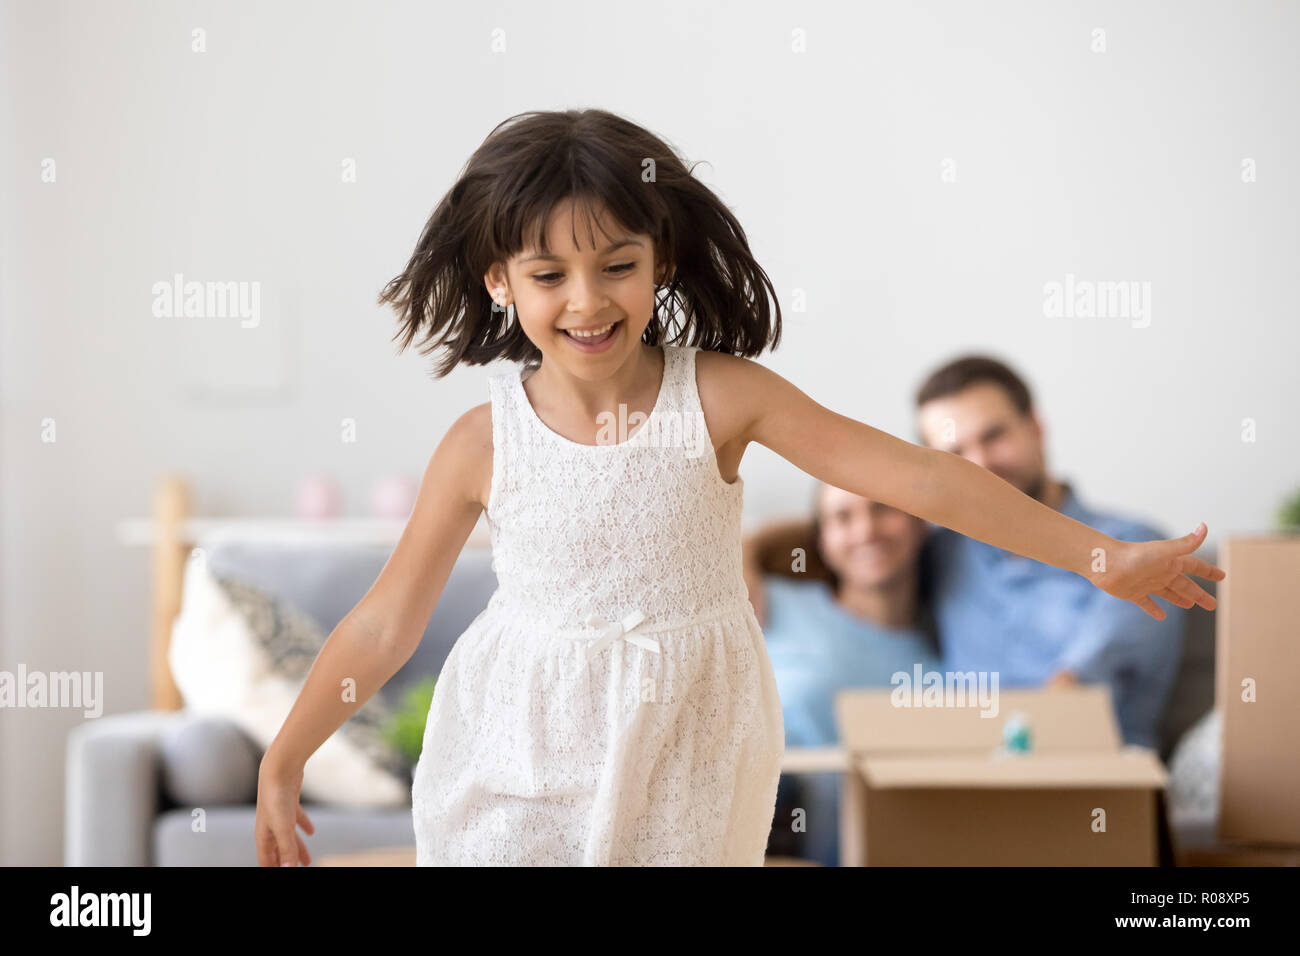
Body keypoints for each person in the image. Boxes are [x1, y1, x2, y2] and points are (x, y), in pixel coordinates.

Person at [253, 108, 1223, 867]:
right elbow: (386, 622)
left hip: (686, 740)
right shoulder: (480, 442)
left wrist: (1102, 555)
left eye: (617, 266)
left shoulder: (720, 397)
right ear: (499, 278)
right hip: (519, 737)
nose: (587, 301)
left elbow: (922, 477)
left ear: (661, 260)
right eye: (549, 273)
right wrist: (287, 751)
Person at [746, 356, 1189, 751]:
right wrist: (747, 548)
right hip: (966, 791)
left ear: (1035, 427)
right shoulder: (948, 549)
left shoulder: (1131, 551)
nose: (979, 468)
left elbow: (1068, 703)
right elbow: (864, 532)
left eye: (994, 436)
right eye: (956, 455)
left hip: (1093, 789)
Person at [757, 483, 941, 866]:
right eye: (842, 517)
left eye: (883, 509)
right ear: (821, 540)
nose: (865, 531)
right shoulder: (772, 604)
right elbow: (704, 553)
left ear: (920, 524)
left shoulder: (943, 662)